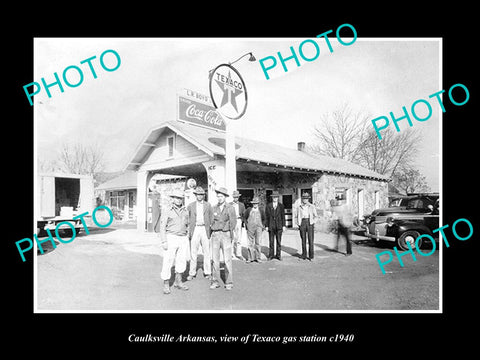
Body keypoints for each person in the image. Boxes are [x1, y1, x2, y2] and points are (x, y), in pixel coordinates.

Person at [159, 189, 190, 295]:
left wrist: (187, 236)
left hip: (183, 238)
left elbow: (188, 224)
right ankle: (166, 284)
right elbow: (162, 227)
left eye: (180, 198)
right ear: (173, 199)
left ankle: (178, 281)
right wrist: (164, 241)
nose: (178, 200)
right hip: (171, 237)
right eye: (177, 198)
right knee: (168, 260)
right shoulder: (167, 210)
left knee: (181, 260)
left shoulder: (185, 211)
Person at [210, 187, 237, 291]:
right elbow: (211, 221)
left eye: (221, 196)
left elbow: (233, 222)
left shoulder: (230, 208)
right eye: (218, 196)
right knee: (215, 260)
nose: (219, 198)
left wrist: (229, 234)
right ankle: (215, 281)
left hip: (226, 235)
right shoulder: (213, 208)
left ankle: (229, 282)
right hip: (216, 235)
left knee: (227, 260)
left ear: (225, 197)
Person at [187, 186, 213, 281]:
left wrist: (210, 228)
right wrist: (188, 229)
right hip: (195, 229)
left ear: (204, 195)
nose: (200, 196)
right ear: (195, 195)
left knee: (206, 251)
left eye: (201, 194)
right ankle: (192, 273)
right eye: (198, 194)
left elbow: (211, 218)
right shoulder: (191, 205)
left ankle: (208, 272)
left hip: (204, 229)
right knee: (193, 251)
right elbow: (187, 218)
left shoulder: (208, 205)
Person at [295, 192, 318, 261]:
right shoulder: (299, 207)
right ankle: (304, 255)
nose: (305, 200)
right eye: (304, 199)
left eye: (306, 199)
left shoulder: (312, 206)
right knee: (303, 240)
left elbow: (316, 216)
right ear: (302, 199)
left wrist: (313, 222)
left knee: (311, 240)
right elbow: (296, 216)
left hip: (309, 222)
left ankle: (311, 256)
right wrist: (298, 223)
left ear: (308, 199)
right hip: (302, 223)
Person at [244, 196, 266, 263]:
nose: (255, 204)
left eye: (256, 203)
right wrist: (246, 225)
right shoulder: (249, 209)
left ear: (258, 203)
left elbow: (264, 219)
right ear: (252, 204)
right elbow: (244, 218)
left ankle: (258, 258)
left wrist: (262, 226)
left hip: (258, 227)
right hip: (250, 228)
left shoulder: (261, 210)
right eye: (254, 203)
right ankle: (250, 258)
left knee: (258, 243)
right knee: (250, 243)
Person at [265, 191, 286, 260]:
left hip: (279, 226)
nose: (275, 198)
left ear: (278, 198)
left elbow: (283, 216)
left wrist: (283, 225)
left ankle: (278, 255)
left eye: (276, 197)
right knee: (271, 242)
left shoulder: (281, 206)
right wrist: (266, 226)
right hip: (271, 226)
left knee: (279, 241)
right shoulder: (268, 206)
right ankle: (271, 255)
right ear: (272, 198)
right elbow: (266, 217)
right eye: (274, 197)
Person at [230, 190, 246, 260]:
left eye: (237, 197)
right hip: (232, 221)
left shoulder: (241, 205)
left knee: (238, 238)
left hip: (239, 220)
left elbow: (244, 214)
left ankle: (239, 254)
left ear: (238, 197)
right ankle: (231, 254)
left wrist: (242, 221)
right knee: (232, 238)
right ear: (233, 197)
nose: (236, 198)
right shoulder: (229, 204)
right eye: (234, 197)